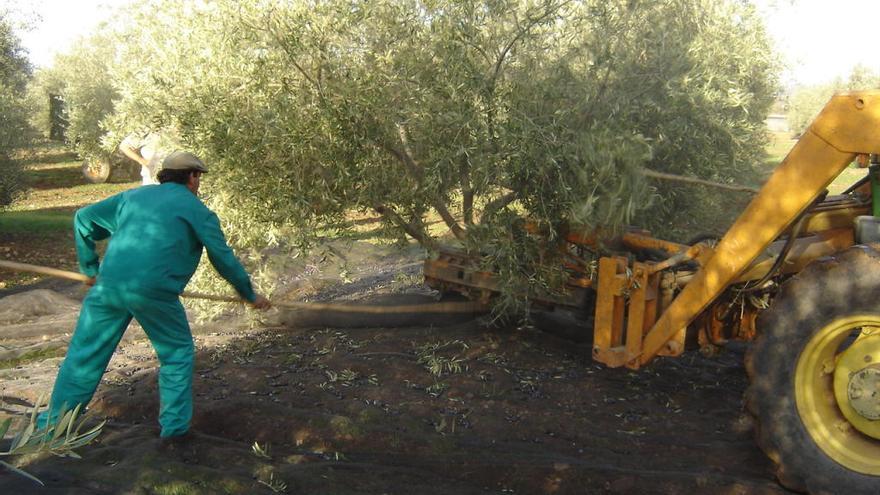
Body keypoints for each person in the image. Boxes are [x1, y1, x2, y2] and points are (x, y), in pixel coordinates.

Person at [38, 150, 271, 441]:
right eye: (199, 178)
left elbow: (83, 219)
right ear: (193, 176)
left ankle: (50, 429)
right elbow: (222, 258)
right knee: (176, 355)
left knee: (84, 356)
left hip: (108, 287)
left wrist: (89, 268)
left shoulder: (132, 197)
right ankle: (174, 432)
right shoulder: (199, 211)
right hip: (154, 293)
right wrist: (249, 294)